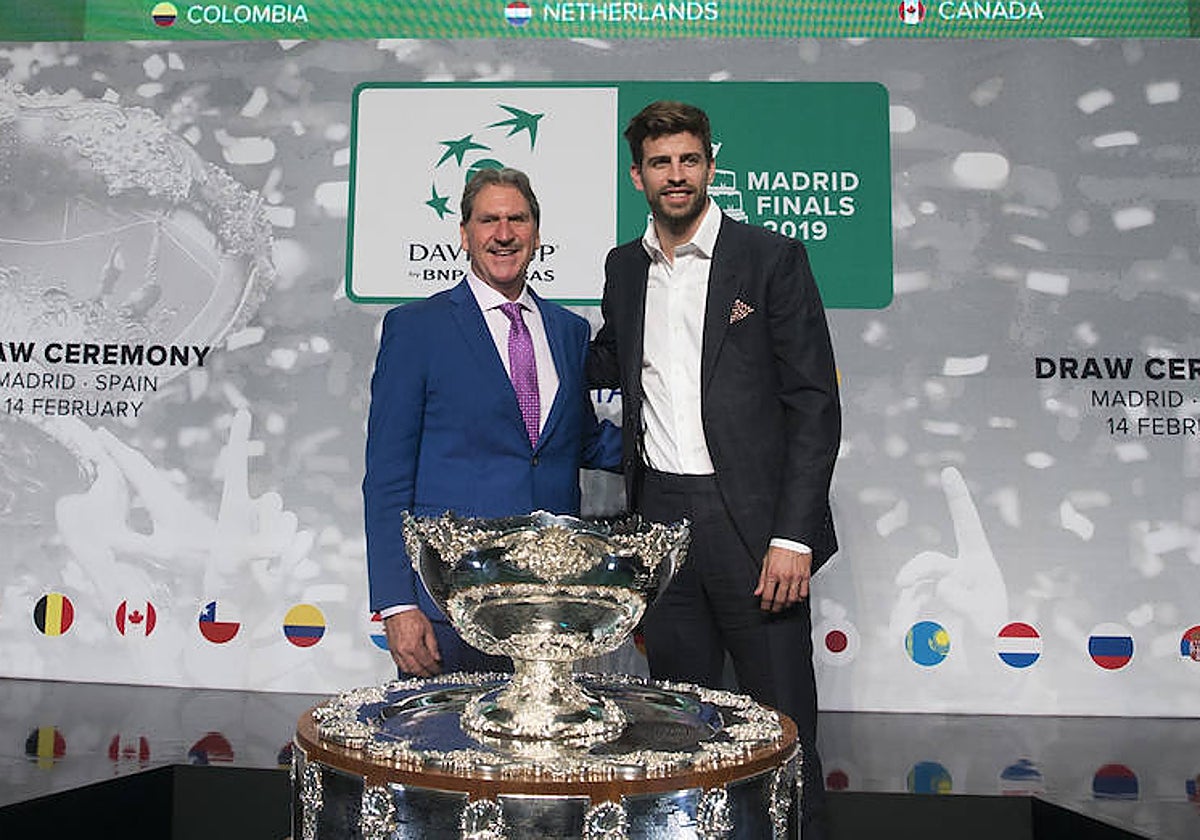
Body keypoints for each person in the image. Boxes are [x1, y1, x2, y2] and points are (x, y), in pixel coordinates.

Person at [588, 101, 841, 837]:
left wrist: (793, 535)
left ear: (710, 165)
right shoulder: (623, 268)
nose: (677, 176)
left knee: (782, 734)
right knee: (677, 731)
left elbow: (814, 405)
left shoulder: (770, 258)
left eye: (689, 160)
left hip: (757, 532)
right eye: (661, 163)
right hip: (663, 526)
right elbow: (611, 368)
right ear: (638, 175)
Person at [364, 167, 621, 678]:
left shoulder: (568, 331)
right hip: (447, 606)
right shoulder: (416, 329)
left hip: (550, 608)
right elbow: (387, 477)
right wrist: (396, 604)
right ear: (464, 234)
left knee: (540, 755)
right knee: (442, 755)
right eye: (488, 220)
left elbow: (581, 442)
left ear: (536, 234)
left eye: (516, 219)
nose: (503, 234)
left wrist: (699, 439)